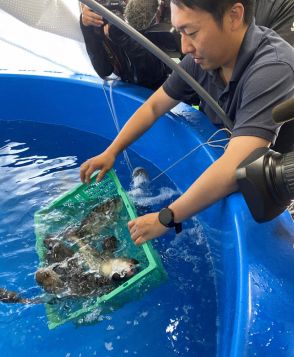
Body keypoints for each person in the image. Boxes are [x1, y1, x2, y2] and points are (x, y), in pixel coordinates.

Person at [80, 0, 294, 245]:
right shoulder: (204, 58)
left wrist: (165, 218)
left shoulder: (273, 67)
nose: (184, 46)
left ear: (234, 16)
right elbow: (153, 106)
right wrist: (112, 151)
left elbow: (236, 165)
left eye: (191, 32)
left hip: (274, 188)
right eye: (179, 32)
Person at [79, 0, 176, 90]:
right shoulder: (100, 11)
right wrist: (86, 27)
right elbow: (104, 70)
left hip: (166, 86)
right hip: (128, 86)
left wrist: (126, 38)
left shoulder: (155, 9)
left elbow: (155, 74)